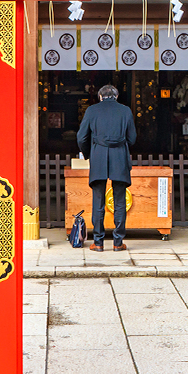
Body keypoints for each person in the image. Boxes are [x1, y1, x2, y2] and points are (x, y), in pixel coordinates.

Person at [76, 83, 137, 252]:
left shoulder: (92, 110)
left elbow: (81, 137)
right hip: (119, 157)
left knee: (98, 201)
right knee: (119, 201)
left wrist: (89, 153)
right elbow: (132, 138)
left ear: (100, 97)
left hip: (99, 157)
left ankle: (99, 242)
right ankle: (118, 242)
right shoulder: (125, 111)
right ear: (116, 96)